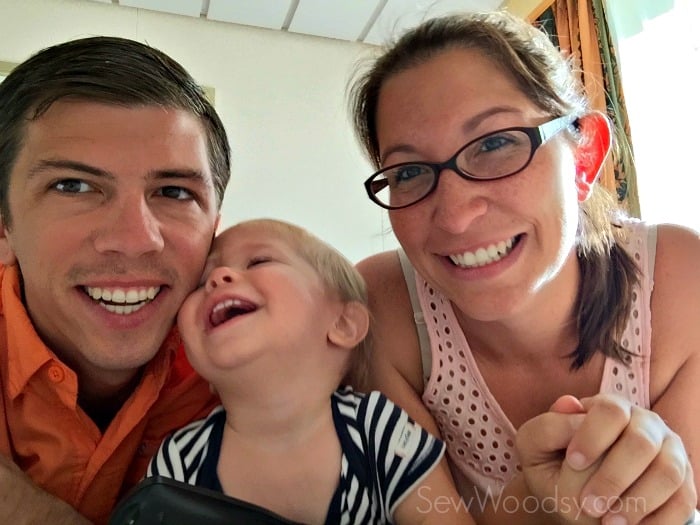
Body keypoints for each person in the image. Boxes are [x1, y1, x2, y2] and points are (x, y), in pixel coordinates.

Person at [348, 10, 699, 525]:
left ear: (583, 158)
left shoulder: (678, 279)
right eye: (409, 172)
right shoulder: (381, 310)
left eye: (495, 143)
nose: (455, 214)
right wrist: (532, 499)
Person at [0, 36, 231, 524]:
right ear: (4, 226)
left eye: (173, 191)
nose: (134, 239)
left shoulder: (248, 368)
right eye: (73, 186)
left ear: (215, 227)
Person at [141, 218, 475, 524]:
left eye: (259, 261)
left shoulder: (377, 430)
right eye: (200, 283)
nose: (217, 278)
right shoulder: (179, 464)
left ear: (342, 324)